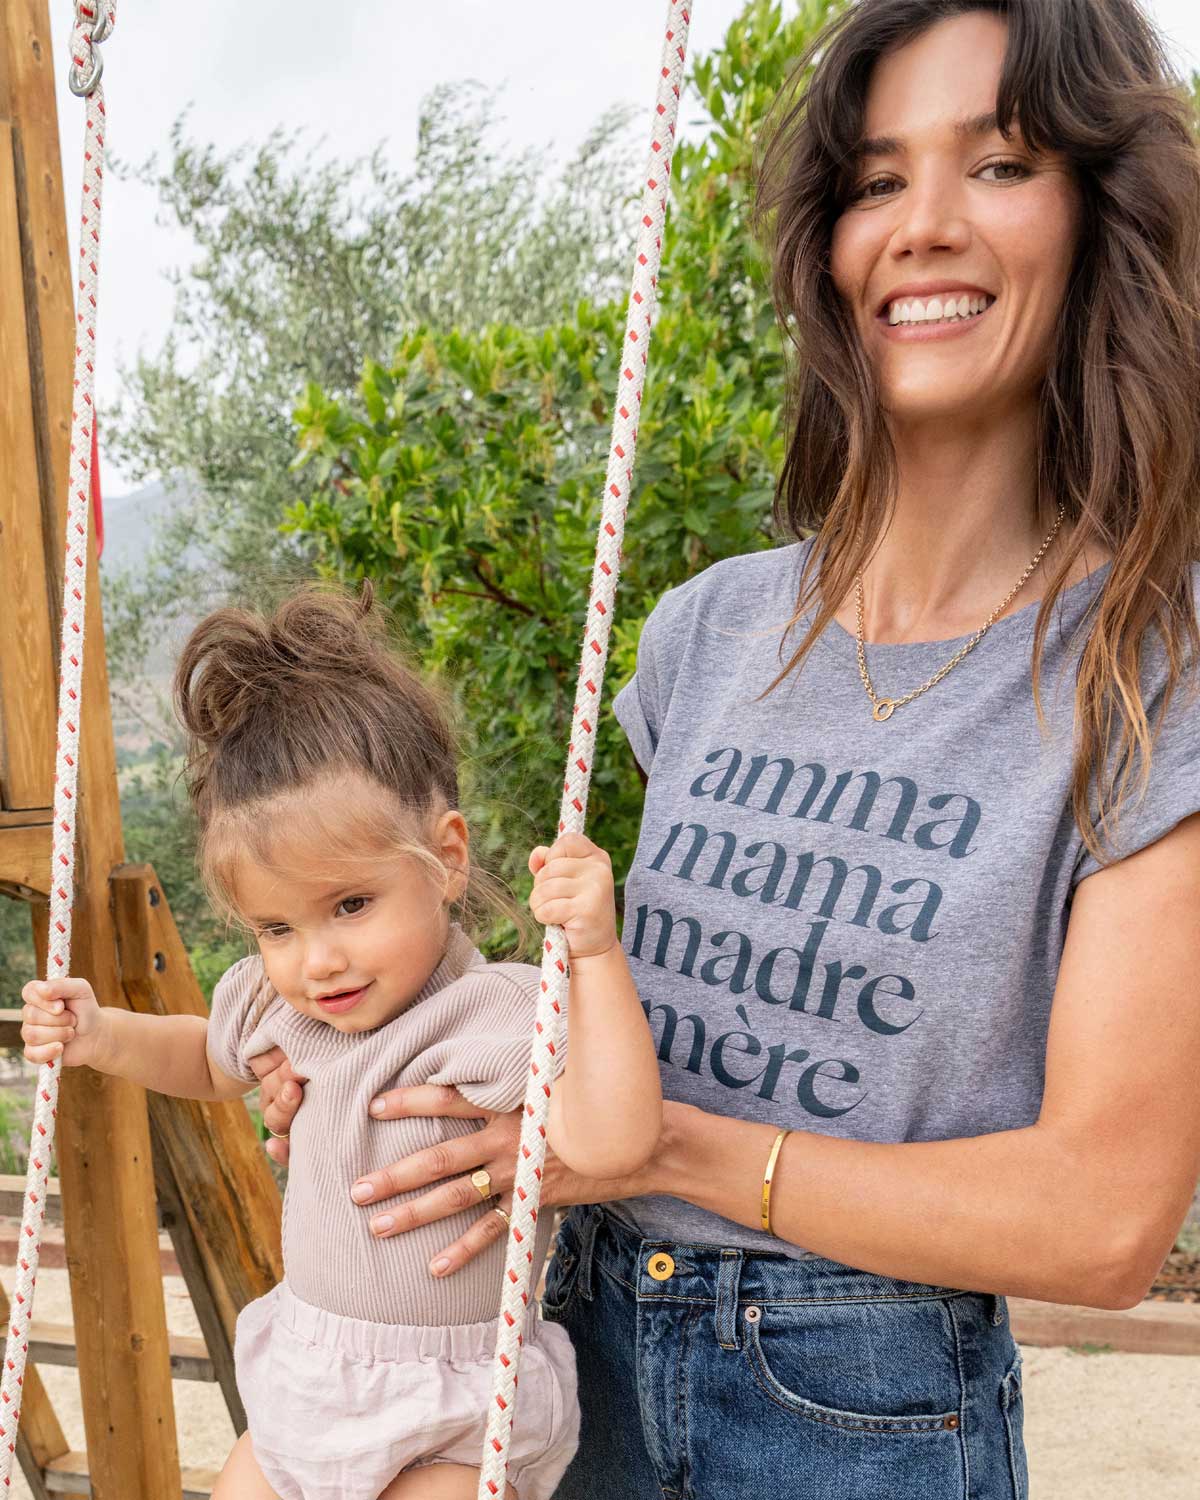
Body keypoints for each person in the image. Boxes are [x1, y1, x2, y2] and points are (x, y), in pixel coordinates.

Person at [255, 0, 1200, 1494]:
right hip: (565, 1349)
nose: (926, 226)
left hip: (855, 1416)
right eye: (879, 180)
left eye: (1001, 165)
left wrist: (664, 1152)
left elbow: (1101, 1221)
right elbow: (587, 986)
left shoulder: (1153, 664)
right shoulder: (709, 634)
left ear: (1099, 213)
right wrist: (361, 1050)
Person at [19, 587, 662, 1500]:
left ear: (446, 858)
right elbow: (204, 1060)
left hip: (452, 1412)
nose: (318, 961)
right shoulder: (281, 1011)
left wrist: (595, 957)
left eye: (350, 905)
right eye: (276, 928)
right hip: (310, 1377)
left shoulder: (497, 1013)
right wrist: (99, 1033)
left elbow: (613, 1144)